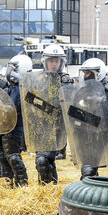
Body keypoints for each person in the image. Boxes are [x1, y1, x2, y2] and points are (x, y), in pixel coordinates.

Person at [33, 44, 75, 185]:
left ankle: (47, 189)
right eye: (51, 60)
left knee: (42, 159)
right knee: (44, 161)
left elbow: (69, 105)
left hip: (56, 127)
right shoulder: (37, 79)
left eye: (56, 61)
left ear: (61, 62)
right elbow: (30, 100)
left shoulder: (66, 80)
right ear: (45, 61)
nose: (54, 64)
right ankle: (49, 189)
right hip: (40, 126)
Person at [75, 57, 108, 179]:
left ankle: (87, 187)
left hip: (99, 134)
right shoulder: (82, 90)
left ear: (98, 73)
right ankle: (93, 181)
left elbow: (107, 116)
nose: (85, 75)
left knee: (88, 168)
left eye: (88, 73)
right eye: (84, 73)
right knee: (87, 165)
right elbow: (73, 111)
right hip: (82, 132)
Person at [0, 54, 32, 186]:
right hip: (6, 126)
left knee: (13, 156)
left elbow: (12, 106)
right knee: (3, 156)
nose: (10, 71)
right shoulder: (12, 86)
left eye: (14, 69)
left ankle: (22, 183)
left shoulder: (20, 88)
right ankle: (10, 182)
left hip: (15, 127)